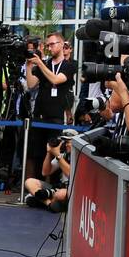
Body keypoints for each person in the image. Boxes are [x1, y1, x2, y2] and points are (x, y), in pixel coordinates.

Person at [24, 32, 76, 179]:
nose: (49, 48)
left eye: (52, 44)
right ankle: (36, 188)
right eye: (47, 45)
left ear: (61, 45)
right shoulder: (45, 64)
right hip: (40, 115)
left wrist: (39, 63)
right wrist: (29, 66)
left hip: (57, 117)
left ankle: (54, 187)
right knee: (38, 154)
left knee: (55, 152)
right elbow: (31, 84)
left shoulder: (69, 66)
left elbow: (56, 79)